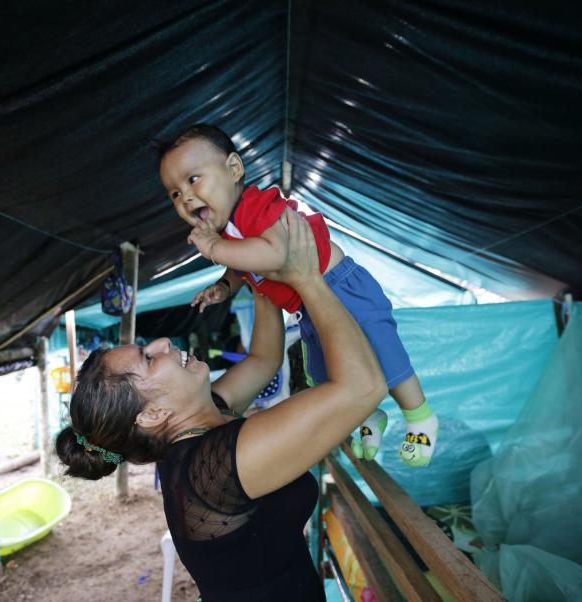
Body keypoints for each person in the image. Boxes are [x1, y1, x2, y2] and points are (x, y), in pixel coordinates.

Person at [57, 209, 386, 601]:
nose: (163, 344)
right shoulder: (213, 466)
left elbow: (263, 359)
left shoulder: (202, 420)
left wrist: (257, 263)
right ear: (152, 414)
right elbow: (363, 387)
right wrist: (306, 279)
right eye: (148, 357)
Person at [157, 123, 438, 466]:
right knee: (327, 372)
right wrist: (225, 285)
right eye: (173, 193)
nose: (184, 196)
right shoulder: (230, 233)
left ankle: (419, 416)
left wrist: (214, 248)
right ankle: (368, 415)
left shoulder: (256, 207)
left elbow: (273, 255)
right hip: (310, 305)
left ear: (233, 169)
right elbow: (243, 267)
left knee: (382, 352)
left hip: (341, 286)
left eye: (192, 179)